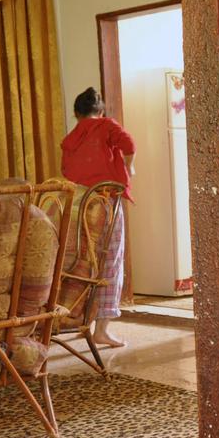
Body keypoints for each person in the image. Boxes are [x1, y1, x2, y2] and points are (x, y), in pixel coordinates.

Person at [61, 87, 136, 348]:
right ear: (100, 111)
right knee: (110, 262)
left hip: (79, 205)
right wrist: (129, 166)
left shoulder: (71, 138)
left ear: (76, 114)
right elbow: (129, 144)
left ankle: (78, 318)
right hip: (105, 202)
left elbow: (66, 171)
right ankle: (101, 329)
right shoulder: (106, 126)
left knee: (81, 262)